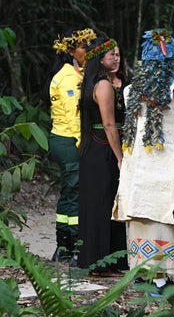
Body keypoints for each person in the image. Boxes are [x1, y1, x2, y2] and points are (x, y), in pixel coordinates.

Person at [113, 29, 174, 296]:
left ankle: (145, 275)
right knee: (166, 218)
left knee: (143, 217)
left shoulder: (130, 91)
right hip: (167, 165)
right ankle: (163, 281)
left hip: (138, 167)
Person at [77, 36, 129, 276]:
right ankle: (101, 263)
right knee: (102, 205)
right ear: (100, 58)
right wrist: (120, 157)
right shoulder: (104, 85)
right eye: (112, 55)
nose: (116, 58)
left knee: (102, 203)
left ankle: (105, 261)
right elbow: (109, 125)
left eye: (118, 54)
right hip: (103, 149)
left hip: (94, 150)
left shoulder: (92, 82)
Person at [48, 28, 97, 263]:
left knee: (69, 192)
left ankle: (63, 246)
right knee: (76, 191)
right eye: (83, 47)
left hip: (65, 138)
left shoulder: (77, 73)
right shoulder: (67, 78)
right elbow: (72, 115)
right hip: (69, 139)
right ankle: (76, 247)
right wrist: (82, 144)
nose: (87, 50)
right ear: (70, 51)